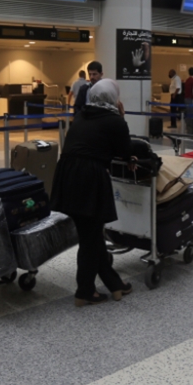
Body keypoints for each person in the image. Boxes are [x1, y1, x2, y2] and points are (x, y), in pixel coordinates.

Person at [50, 79, 132, 306]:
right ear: (113, 98)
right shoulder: (114, 120)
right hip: (89, 178)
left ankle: (115, 284)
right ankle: (84, 291)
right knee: (91, 238)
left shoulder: (81, 115)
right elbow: (125, 151)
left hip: (67, 175)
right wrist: (121, 117)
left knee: (91, 235)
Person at [184, 67, 193, 133]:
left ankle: (189, 130)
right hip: (192, 99)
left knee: (188, 115)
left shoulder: (187, 80)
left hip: (186, 99)